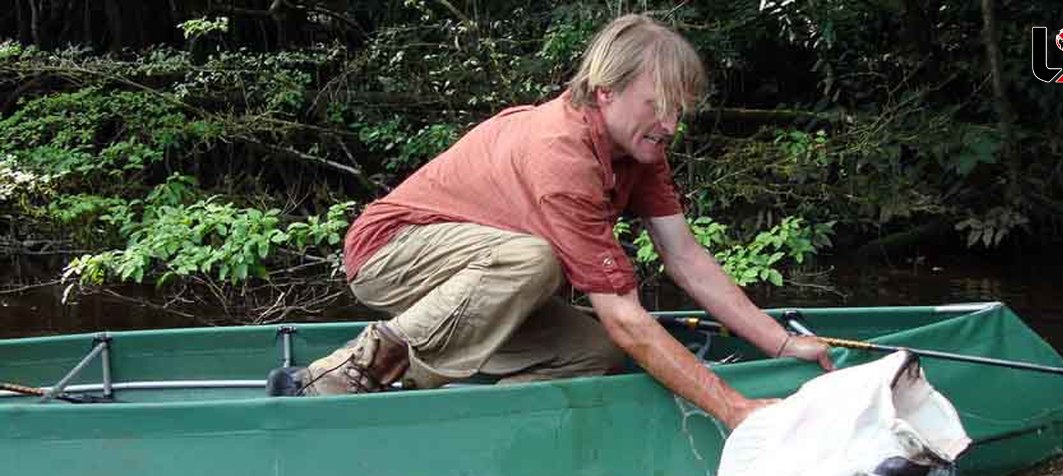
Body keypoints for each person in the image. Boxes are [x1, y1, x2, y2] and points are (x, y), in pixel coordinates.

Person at [268, 14, 832, 430]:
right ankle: (344, 376)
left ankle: (456, 421)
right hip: (391, 252)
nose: (670, 124)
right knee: (533, 261)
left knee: (596, 355)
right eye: (657, 105)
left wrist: (780, 343)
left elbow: (685, 258)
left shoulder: (640, 150)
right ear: (606, 91)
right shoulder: (563, 155)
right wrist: (733, 409)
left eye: (679, 110)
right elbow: (626, 317)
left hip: (479, 280)